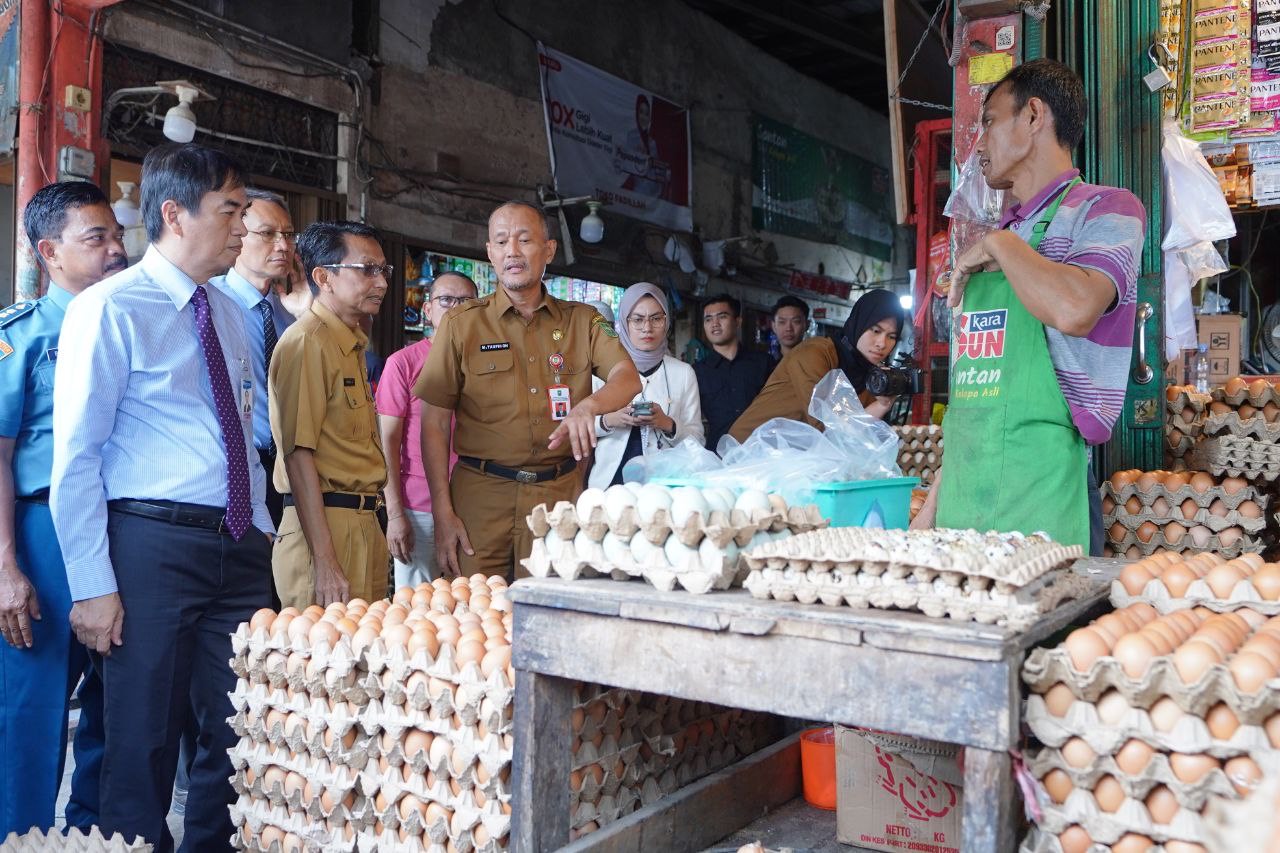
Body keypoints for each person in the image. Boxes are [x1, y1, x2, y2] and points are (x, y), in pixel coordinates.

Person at [49, 143, 273, 853]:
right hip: (151, 545)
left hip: (238, 545)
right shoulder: (110, 308)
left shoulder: (227, 313)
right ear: (174, 215)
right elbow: (77, 455)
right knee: (141, 738)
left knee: (239, 730)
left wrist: (260, 531)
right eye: (230, 211)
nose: (242, 227)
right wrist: (93, 585)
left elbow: (240, 427)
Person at [912, 59, 1146, 553]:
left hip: (1044, 496)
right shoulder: (1002, 236)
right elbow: (976, 397)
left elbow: (1076, 308)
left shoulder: (1107, 209)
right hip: (962, 500)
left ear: (1034, 115)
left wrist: (1002, 246)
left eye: (990, 122)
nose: (979, 145)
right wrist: (931, 508)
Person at [414, 201, 641, 577]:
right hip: (480, 499)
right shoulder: (461, 324)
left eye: (524, 240)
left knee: (548, 605)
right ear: (490, 253)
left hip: (556, 498)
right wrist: (442, 512)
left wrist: (589, 407)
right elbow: (434, 423)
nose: (512, 252)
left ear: (549, 250)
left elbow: (627, 376)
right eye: (502, 242)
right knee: (473, 607)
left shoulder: (582, 321)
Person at [0, 182, 124, 835]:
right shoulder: (21, 336)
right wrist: (6, 567)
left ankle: (92, 836)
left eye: (116, 235)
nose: (115, 249)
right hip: (44, 532)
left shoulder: (131, 324)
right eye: (96, 238)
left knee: (119, 699)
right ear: (49, 252)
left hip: (125, 527)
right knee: (35, 703)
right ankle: (20, 836)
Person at [269, 221, 390, 609]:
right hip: (325, 531)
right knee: (327, 647)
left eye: (383, 270)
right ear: (324, 277)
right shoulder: (309, 342)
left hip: (362, 522)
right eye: (367, 269)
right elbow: (298, 454)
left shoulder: (349, 344)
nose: (381, 282)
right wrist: (324, 560)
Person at [209, 187, 311, 531]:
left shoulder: (295, 310)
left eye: (289, 235)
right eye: (267, 234)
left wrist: (307, 318)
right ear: (237, 232)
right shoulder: (210, 303)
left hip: (292, 467)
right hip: (233, 466)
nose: (283, 245)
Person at [376, 272, 477, 586]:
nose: (455, 308)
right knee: (417, 607)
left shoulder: (487, 365)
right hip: (418, 508)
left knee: (474, 602)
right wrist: (395, 514)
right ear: (428, 310)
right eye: (446, 300)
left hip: (475, 504)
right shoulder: (403, 363)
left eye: (466, 301)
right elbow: (387, 443)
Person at [727, 289, 904, 442]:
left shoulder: (871, 378)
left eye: (892, 336)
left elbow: (858, 437)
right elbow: (824, 428)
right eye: (876, 330)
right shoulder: (815, 353)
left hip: (794, 460)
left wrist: (882, 405)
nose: (882, 343)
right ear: (859, 324)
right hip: (749, 451)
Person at [588, 282, 704, 488]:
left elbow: (697, 441)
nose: (647, 328)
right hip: (610, 483)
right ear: (625, 323)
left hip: (665, 485)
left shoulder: (683, 373)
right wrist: (610, 420)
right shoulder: (602, 370)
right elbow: (578, 425)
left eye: (656, 318)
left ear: (667, 322)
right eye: (638, 319)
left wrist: (667, 423)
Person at [694, 294, 774, 452]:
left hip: (761, 453)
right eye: (708, 319)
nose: (715, 324)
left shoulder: (764, 363)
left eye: (722, 317)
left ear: (738, 322)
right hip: (717, 456)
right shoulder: (697, 372)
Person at [770, 294, 810, 359]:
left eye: (796, 321)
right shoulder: (765, 362)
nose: (789, 328)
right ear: (774, 326)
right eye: (782, 322)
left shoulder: (815, 361)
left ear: (807, 325)